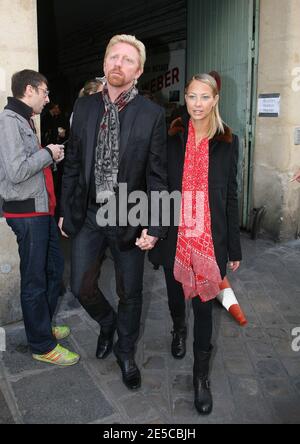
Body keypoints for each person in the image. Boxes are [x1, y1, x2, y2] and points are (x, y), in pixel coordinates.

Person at [59, 35, 168, 390]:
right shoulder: (86, 108)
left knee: (131, 292)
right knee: (79, 286)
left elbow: (157, 175)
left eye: (127, 60)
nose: (118, 64)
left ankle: (125, 352)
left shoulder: (151, 114)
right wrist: (66, 209)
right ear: (104, 64)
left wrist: (156, 223)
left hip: (129, 213)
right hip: (90, 213)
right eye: (113, 57)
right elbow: (73, 162)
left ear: (137, 71)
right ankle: (107, 322)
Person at [149, 73, 242, 415]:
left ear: (215, 99)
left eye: (204, 97)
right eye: (192, 96)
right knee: (175, 293)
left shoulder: (228, 142)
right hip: (176, 234)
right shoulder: (172, 136)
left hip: (209, 238)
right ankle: (177, 328)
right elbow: (158, 185)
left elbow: (229, 195)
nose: (197, 104)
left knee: (205, 306)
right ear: (185, 99)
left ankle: (200, 376)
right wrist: (155, 229)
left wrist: (233, 247)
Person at [0, 69, 80, 366]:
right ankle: (42, 344)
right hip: (27, 213)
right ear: (29, 90)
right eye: (45, 92)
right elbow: (17, 171)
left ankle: (42, 325)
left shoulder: (24, 119)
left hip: (41, 211)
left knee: (53, 269)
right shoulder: (9, 121)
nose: (48, 99)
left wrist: (50, 156)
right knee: (35, 279)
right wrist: (48, 152)